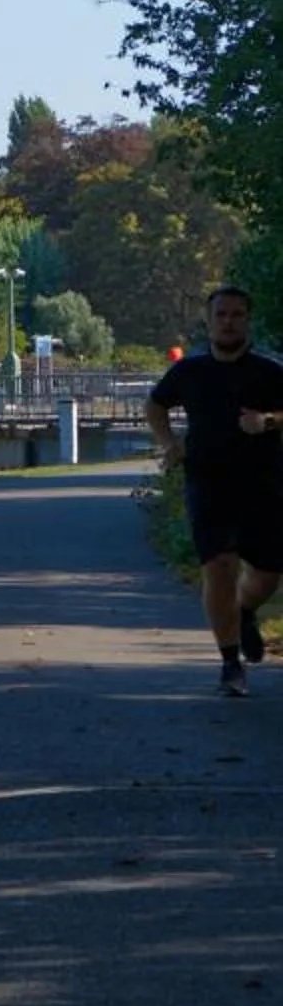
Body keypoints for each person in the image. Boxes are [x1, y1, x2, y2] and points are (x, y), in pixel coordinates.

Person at [146, 284, 283, 697]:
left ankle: (243, 612)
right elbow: (156, 405)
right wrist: (169, 443)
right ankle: (230, 664)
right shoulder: (189, 371)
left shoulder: (269, 372)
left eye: (237, 314)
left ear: (247, 320)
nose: (228, 322)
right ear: (208, 321)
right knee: (219, 566)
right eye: (221, 314)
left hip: (264, 484)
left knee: (267, 575)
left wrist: (269, 422)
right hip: (208, 482)